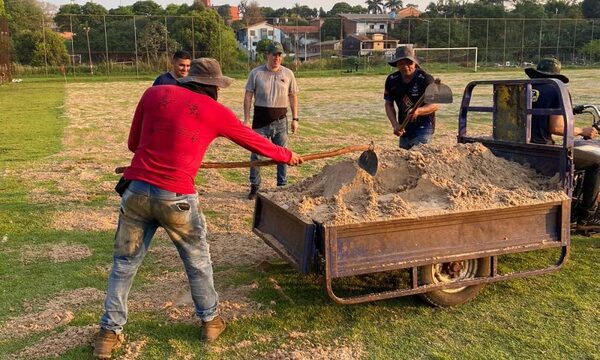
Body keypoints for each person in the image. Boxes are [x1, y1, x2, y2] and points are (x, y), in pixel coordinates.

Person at [93, 58, 303, 359]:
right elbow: (254, 141)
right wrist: (286, 155)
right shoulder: (216, 112)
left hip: (136, 191)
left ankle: (108, 334)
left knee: (124, 265)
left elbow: (132, 144)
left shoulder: (153, 94)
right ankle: (210, 321)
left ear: (187, 79)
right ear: (214, 88)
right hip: (176, 197)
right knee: (197, 261)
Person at [526, 57, 600, 228]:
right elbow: (557, 127)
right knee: (596, 162)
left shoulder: (525, 88)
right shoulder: (556, 90)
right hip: (545, 151)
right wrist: (583, 131)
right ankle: (585, 216)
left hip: (521, 147)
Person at [243, 42, 299, 200]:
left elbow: (293, 96)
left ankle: (282, 186)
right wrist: (247, 119)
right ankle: (255, 186)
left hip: (280, 121)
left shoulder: (288, 74)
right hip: (260, 122)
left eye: (280, 55)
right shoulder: (256, 73)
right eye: (274, 54)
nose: (277, 57)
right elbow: (248, 96)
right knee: (256, 156)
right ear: (267, 55)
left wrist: (295, 118)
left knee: (282, 154)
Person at [384, 45, 440, 150]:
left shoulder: (425, 79)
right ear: (397, 64)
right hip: (404, 127)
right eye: (401, 63)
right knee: (404, 160)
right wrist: (395, 125)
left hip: (423, 127)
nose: (405, 66)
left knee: (417, 157)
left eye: (408, 62)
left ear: (414, 63)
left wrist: (418, 111)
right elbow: (389, 104)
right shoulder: (392, 80)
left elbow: (435, 105)